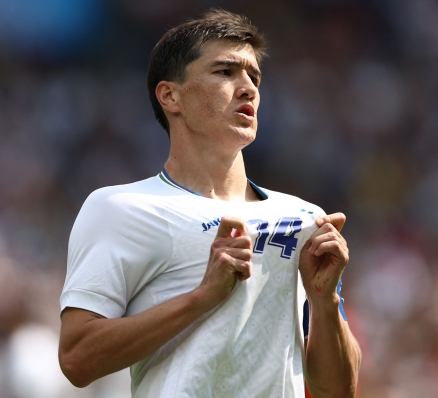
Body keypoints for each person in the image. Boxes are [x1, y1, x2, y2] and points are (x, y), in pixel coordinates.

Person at [58, 8, 361, 398]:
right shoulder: (120, 208)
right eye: (225, 72)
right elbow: (77, 359)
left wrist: (324, 299)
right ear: (170, 95)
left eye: (254, 76)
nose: (249, 87)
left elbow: (337, 391)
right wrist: (202, 298)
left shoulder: (305, 219)